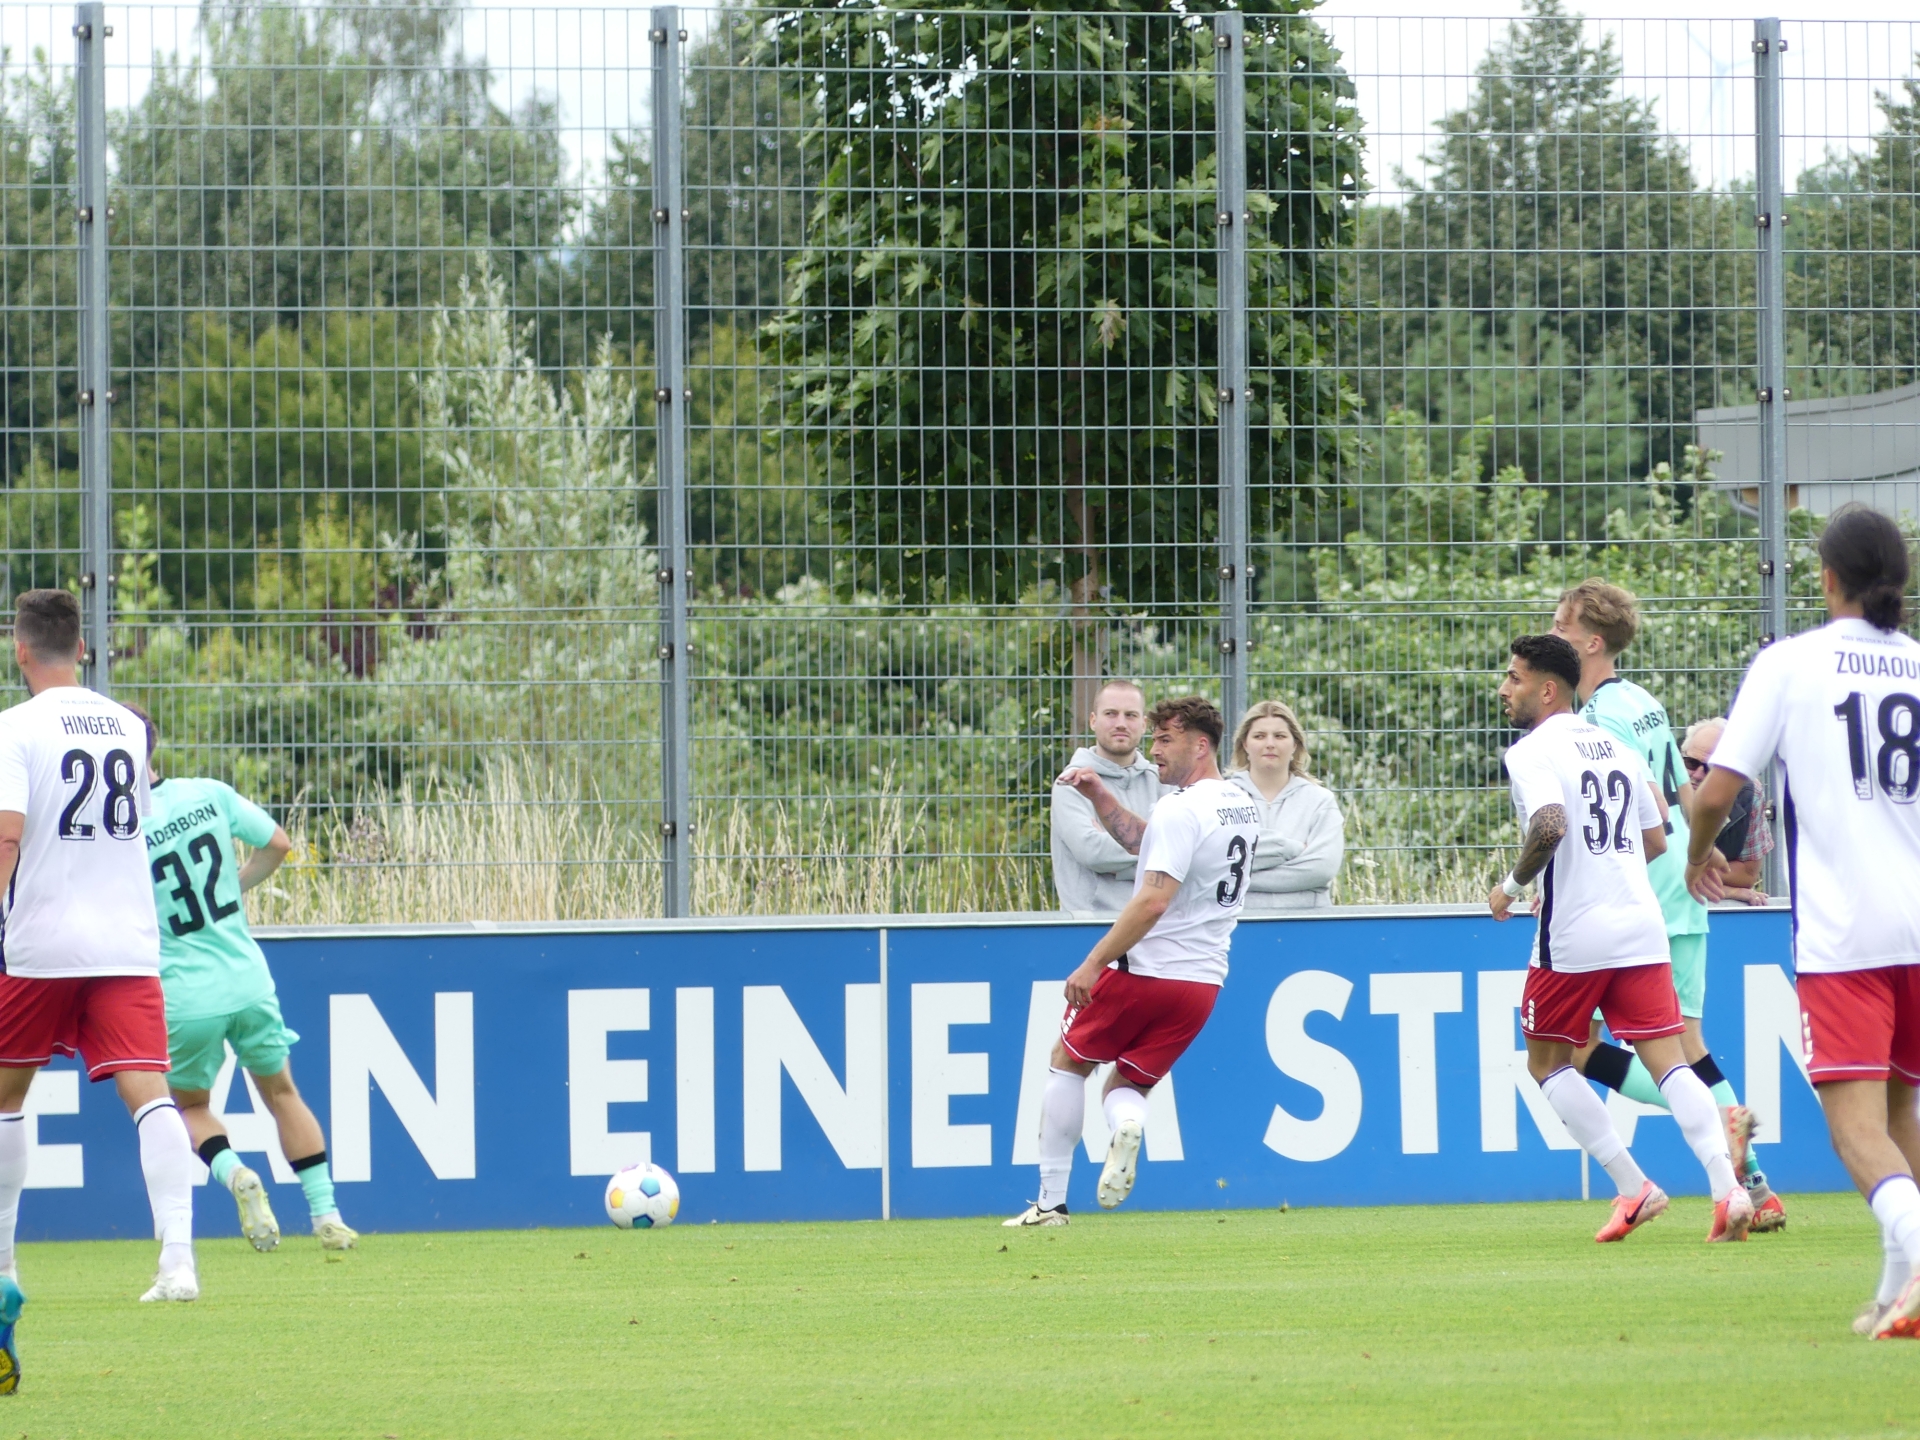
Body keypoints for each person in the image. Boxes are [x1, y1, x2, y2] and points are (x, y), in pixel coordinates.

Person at [1685, 504, 1920, 1339]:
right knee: (1900, 1118)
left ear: (1826, 578)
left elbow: (1717, 789)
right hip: (1917, 926)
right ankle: (1896, 1292)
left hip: (1844, 932)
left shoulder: (1791, 663)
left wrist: (1696, 856)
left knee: (1855, 1130)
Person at [0, 591, 207, 1388]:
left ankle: (5, 1261)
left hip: (40, 940)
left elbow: (8, 835)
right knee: (151, 1094)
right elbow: (134, 830)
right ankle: (179, 1261)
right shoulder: (127, 724)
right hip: (125, 941)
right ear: (82, 648)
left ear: (21, 650)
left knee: (7, 1095)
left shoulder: (16, 728)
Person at [1490, 634, 1752, 1244]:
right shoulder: (1617, 746)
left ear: (1547, 690)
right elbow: (1657, 837)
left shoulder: (1530, 752)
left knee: (1546, 1062)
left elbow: (1549, 824)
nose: (1505, 689)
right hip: (1640, 926)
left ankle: (1633, 1187)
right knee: (1671, 1062)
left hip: (1574, 935)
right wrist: (1610, 868)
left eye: (1514, 678)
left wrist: (1511, 886)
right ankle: (1728, 1191)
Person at [1551, 581, 1781, 1229]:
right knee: (1685, 1043)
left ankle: (1720, 1129)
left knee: (1576, 1049)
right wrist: (1699, 858)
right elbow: (1684, 791)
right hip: (1678, 880)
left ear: (1592, 642)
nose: (1553, 632)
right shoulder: (1643, 701)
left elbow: (1643, 797)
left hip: (1637, 885)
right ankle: (1755, 1187)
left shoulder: (1597, 718)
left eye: (1562, 625)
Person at [1006, 696, 1259, 1227]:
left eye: (1166, 739)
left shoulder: (1179, 808)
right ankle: (1127, 1123)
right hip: (1202, 985)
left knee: (1067, 1060)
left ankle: (1050, 1203)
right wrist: (1101, 796)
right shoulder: (1238, 802)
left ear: (1201, 745)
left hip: (1146, 971)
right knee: (1127, 1085)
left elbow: (1153, 900)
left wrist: (1094, 962)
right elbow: (1150, 843)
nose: (1155, 749)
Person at [122, 704, 358, 1256]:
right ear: (154, 747)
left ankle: (234, 1173)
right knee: (282, 1093)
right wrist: (235, 886)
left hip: (184, 993)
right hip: (247, 978)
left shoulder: (122, 832)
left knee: (188, 1107)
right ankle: (327, 1215)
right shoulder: (209, 792)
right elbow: (278, 844)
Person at [1050, 679, 1164, 914]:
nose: (1121, 723)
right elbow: (1092, 852)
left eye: (1130, 715)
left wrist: (1117, 859)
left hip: (1155, 921)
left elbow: (1190, 851)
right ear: (1093, 721)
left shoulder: (1163, 782)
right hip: (1092, 924)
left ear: (1144, 724)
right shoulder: (1071, 783)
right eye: (1111, 714)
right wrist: (1160, 855)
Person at [1226, 700, 1344, 910]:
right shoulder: (1222, 798)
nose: (1270, 743)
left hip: (1307, 921)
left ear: (1295, 744)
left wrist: (1238, 876)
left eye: (1280, 736)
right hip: (1239, 922)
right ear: (1245, 744)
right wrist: (1291, 849)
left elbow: (1321, 870)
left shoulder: (1320, 801)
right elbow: (1212, 864)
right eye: (1259, 736)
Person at [1681, 717, 1772, 905]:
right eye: (1690, 763)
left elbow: (1746, 875)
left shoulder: (1749, 793)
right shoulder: (1658, 787)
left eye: (1710, 768)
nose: (1697, 775)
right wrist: (1726, 890)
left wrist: (1691, 871)